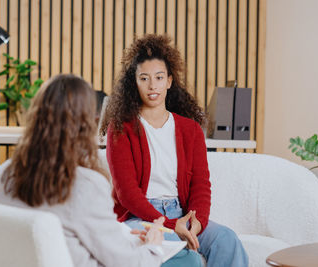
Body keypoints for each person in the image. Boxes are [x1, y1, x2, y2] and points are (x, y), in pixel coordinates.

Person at [0, 74, 201, 267]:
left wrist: (129, 239)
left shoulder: (1, 176)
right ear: (86, 124)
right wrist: (153, 244)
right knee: (190, 260)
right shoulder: (85, 184)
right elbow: (126, 263)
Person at [99, 34, 249, 267]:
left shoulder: (190, 130)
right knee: (187, 258)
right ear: (135, 83)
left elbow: (200, 182)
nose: (152, 86)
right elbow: (127, 193)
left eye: (159, 77)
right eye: (144, 78)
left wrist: (196, 221)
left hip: (183, 214)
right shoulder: (120, 129)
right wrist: (169, 224)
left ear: (169, 81)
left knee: (227, 240)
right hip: (140, 219)